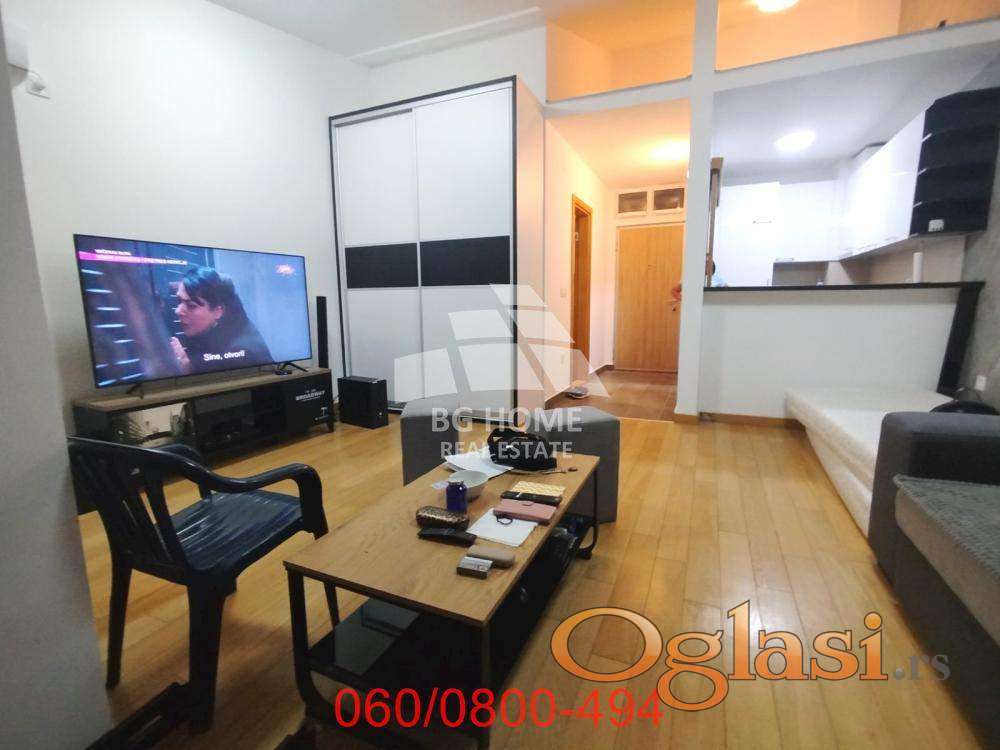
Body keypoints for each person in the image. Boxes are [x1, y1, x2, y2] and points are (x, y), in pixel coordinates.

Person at [170, 266, 272, 374]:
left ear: (218, 311)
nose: (178, 311)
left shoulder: (242, 352)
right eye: (179, 301)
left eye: (191, 305)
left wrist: (188, 370)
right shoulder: (223, 327)